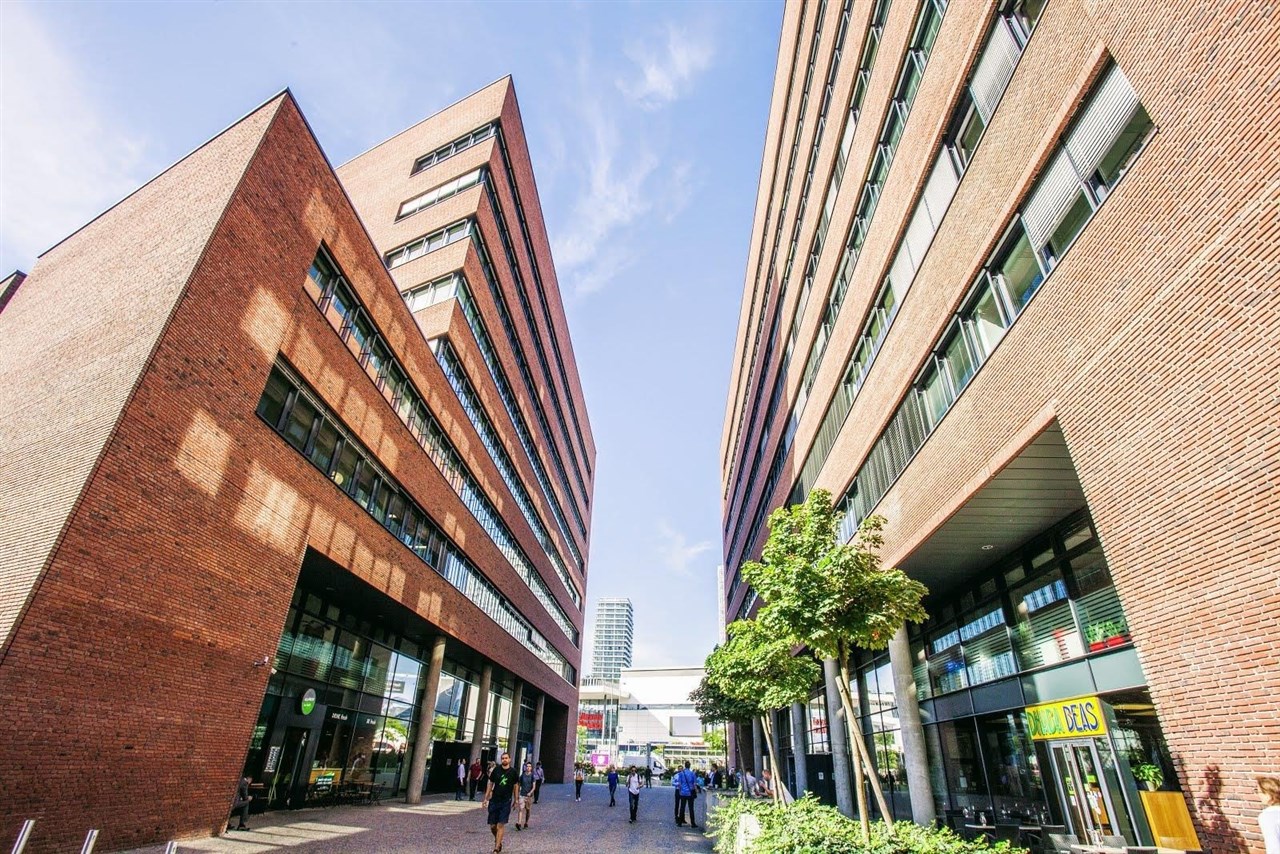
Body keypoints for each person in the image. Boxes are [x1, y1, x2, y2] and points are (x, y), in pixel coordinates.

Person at [481, 752, 519, 854]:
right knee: (493, 826)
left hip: (506, 801)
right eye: (503, 758)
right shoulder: (496, 770)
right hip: (494, 800)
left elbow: (516, 785)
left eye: (506, 758)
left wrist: (516, 799)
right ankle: (498, 840)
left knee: (500, 825)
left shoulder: (513, 772)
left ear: (509, 759)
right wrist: (486, 798)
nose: (504, 760)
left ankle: (496, 848)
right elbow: (490, 783)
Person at [674, 760, 699, 828]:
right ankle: (693, 823)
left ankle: (680, 823)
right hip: (690, 793)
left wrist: (680, 791)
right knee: (691, 808)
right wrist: (696, 791)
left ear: (685, 766)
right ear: (690, 766)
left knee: (682, 807)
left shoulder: (681, 773)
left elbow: (679, 784)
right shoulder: (692, 773)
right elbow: (694, 784)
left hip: (683, 793)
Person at [1259, 776, 1280, 854]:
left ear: (1269, 794)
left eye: (1259, 792)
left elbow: (1274, 847)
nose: (1258, 795)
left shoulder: (1267, 816)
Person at [515, 761, 536, 831]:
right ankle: (519, 823)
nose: (528, 768)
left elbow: (534, 787)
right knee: (521, 809)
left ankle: (526, 822)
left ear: (531, 768)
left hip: (529, 796)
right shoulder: (522, 775)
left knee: (528, 810)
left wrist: (530, 792)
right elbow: (519, 784)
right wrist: (518, 792)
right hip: (522, 794)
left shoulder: (532, 776)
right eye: (527, 766)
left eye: (529, 766)